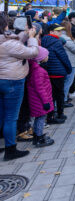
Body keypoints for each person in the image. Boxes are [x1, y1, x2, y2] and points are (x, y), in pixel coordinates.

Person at [0, 14, 39, 160]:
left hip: (1, 80)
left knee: (2, 115)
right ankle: (11, 149)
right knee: (11, 117)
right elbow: (32, 52)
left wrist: (25, 33)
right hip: (12, 81)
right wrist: (33, 38)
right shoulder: (10, 44)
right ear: (4, 26)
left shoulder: (6, 42)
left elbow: (13, 42)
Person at [41, 24, 72, 124]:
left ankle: (51, 115)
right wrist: (69, 68)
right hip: (58, 72)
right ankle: (59, 113)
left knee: (51, 95)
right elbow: (63, 57)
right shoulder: (56, 42)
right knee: (59, 94)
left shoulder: (43, 40)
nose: (60, 33)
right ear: (51, 32)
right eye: (58, 31)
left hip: (48, 72)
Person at [26, 46, 55, 147]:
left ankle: (37, 136)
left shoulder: (35, 69)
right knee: (40, 119)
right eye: (46, 55)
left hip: (38, 100)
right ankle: (38, 138)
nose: (48, 56)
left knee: (39, 119)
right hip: (40, 101)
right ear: (40, 58)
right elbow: (40, 89)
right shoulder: (38, 71)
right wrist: (46, 102)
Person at [61, 21, 75, 104]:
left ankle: (65, 97)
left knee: (66, 82)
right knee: (68, 82)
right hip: (70, 62)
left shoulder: (64, 37)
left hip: (67, 61)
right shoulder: (66, 38)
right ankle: (64, 100)